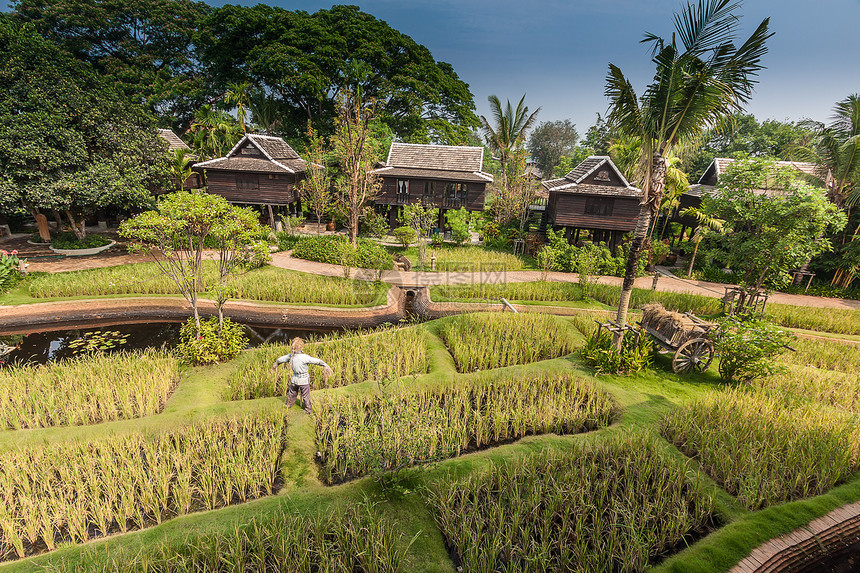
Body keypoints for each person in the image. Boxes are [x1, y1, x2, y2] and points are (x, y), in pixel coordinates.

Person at [271, 337, 333, 414]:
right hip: (303, 380)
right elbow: (316, 361)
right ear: (301, 347)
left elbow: (280, 360)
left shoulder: (291, 356)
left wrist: (276, 363)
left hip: (295, 380)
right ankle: (308, 409)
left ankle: (289, 404)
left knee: (292, 393)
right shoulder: (304, 357)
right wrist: (324, 364)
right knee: (305, 396)